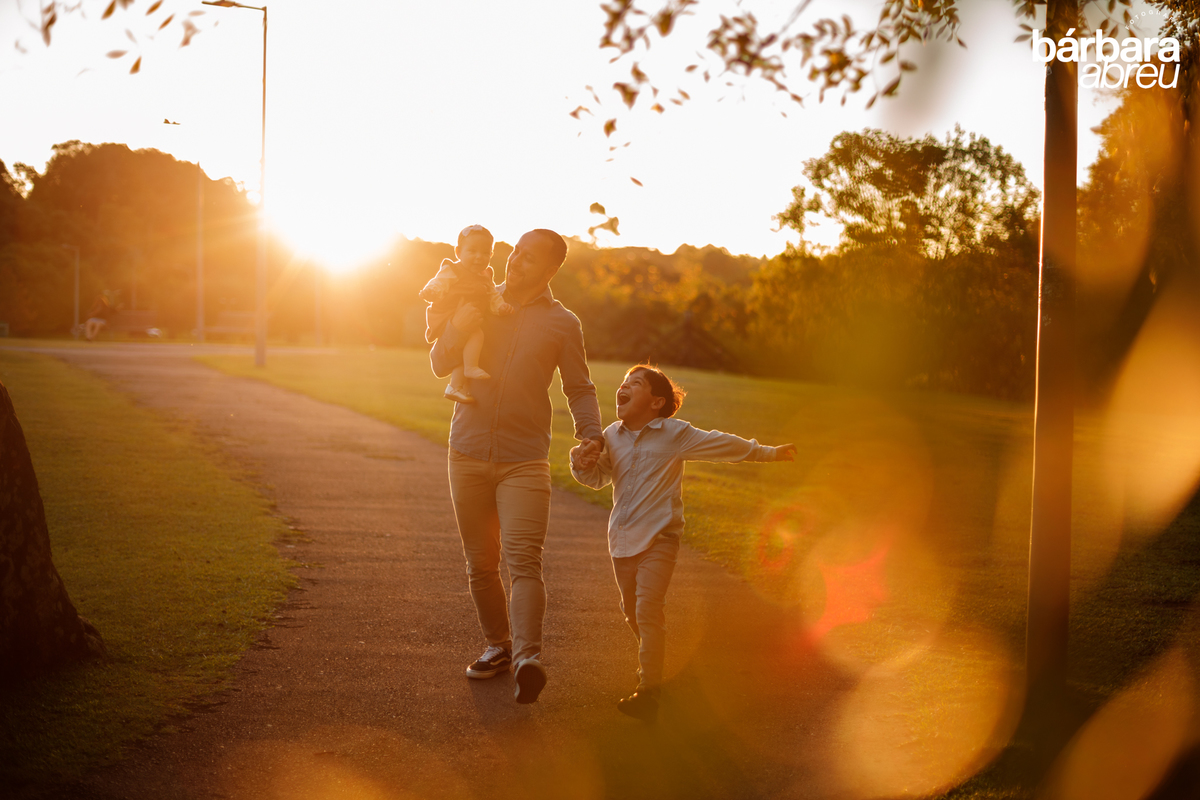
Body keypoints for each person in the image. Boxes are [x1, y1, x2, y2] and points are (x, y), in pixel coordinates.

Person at [430, 228, 604, 704]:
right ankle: (497, 647)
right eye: (515, 253)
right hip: (465, 451)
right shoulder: (480, 296)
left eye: (529, 259)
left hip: (523, 460)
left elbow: (579, 387)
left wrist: (591, 433)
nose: (515, 263)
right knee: (480, 563)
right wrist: (457, 326)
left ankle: (529, 658)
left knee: (524, 561)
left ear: (550, 270)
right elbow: (440, 362)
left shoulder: (562, 323)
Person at [569, 364, 795, 722]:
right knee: (633, 613)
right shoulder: (611, 436)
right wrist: (581, 462)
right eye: (624, 382)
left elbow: (722, 443)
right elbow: (596, 479)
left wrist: (767, 452)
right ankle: (654, 662)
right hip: (623, 539)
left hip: (661, 537)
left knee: (647, 610)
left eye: (636, 384)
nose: (624, 386)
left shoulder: (674, 433)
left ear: (656, 402)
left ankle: (649, 690)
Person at [420, 225, 515, 404]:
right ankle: (470, 369)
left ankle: (455, 387)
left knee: (469, 346)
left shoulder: (486, 277)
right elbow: (439, 282)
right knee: (476, 336)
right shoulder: (453, 270)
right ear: (458, 252)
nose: (479, 257)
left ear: (491, 255)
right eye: (472, 251)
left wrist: (501, 307)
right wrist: (431, 291)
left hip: (470, 321)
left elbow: (493, 296)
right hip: (447, 314)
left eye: (485, 253)